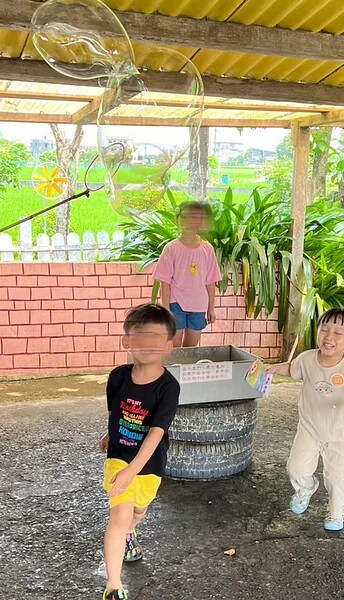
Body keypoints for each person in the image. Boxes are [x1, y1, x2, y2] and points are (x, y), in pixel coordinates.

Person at [99, 303, 180, 600]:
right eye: (140, 335)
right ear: (126, 341)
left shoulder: (169, 387)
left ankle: (130, 533)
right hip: (119, 458)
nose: (147, 343)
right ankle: (113, 585)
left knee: (139, 510)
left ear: (169, 346)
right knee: (120, 514)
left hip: (150, 464)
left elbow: (157, 432)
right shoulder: (117, 376)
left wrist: (134, 470)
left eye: (155, 337)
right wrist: (111, 435)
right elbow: (115, 411)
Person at [266, 308, 344, 532]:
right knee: (296, 468)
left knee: (336, 477)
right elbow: (292, 368)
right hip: (309, 428)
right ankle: (305, 489)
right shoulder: (307, 359)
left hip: (340, 433)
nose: (329, 336)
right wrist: (273, 368)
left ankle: (336, 511)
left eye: (338, 332)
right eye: (324, 329)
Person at [154, 201, 221, 348]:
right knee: (175, 347)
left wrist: (211, 308)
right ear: (178, 220)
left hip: (199, 305)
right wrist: (166, 310)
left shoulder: (207, 249)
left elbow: (211, 282)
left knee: (191, 349)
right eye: (185, 217)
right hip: (176, 304)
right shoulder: (171, 248)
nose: (190, 221)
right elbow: (165, 283)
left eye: (196, 217)